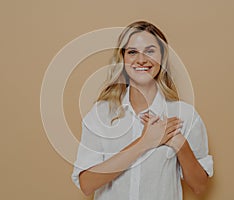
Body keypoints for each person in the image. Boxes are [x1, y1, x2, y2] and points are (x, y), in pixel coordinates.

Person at [71, 21, 213, 200]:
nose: (141, 60)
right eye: (132, 52)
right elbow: (86, 184)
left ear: (162, 58)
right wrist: (145, 142)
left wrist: (179, 144)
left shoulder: (185, 115)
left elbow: (199, 186)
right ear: (122, 58)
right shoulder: (101, 114)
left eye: (150, 51)